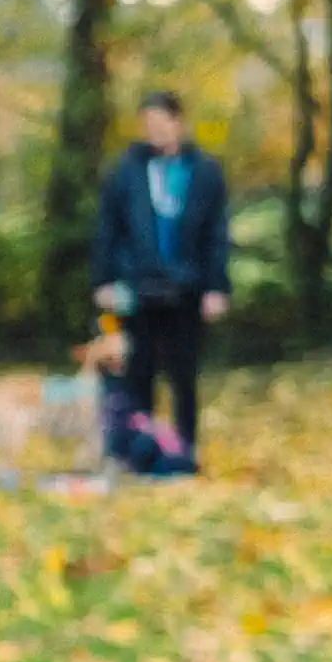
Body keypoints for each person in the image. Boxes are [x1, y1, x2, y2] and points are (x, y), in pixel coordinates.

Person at [91, 90, 230, 462]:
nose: (155, 131)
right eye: (148, 124)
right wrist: (104, 280)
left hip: (187, 287)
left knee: (184, 373)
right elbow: (108, 228)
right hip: (138, 288)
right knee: (139, 373)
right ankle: (141, 452)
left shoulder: (205, 172)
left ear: (178, 122)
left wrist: (216, 287)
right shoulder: (126, 171)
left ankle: (185, 451)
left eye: (161, 123)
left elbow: (217, 233)